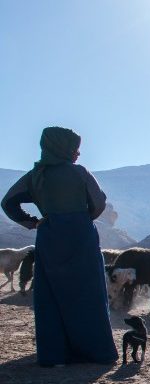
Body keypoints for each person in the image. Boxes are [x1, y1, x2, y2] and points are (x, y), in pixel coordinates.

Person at [2, 127, 118, 367]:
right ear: (62, 148)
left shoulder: (36, 176)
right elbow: (99, 203)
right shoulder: (79, 173)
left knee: (52, 295)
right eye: (74, 148)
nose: (78, 153)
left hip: (50, 235)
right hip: (81, 237)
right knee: (89, 292)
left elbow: (8, 202)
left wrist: (33, 223)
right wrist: (83, 218)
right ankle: (97, 352)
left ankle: (55, 354)